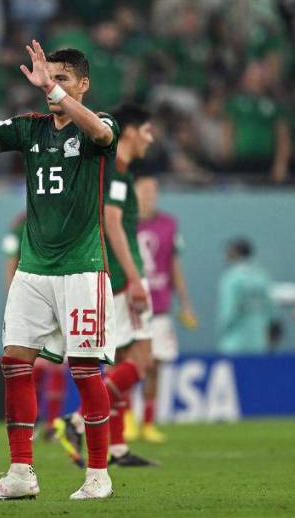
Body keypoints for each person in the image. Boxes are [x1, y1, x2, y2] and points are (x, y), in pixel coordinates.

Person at [0, 41, 119, 501]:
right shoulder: (30, 129)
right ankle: (20, 473)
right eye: (47, 78)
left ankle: (97, 474)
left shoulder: (100, 123)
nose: (51, 87)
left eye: (62, 79)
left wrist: (57, 92)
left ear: (83, 85)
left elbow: (104, 139)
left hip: (82, 268)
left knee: (85, 370)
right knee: (14, 363)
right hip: (33, 268)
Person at [56, 102, 157, 468]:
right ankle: (78, 419)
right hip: (121, 274)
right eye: (146, 130)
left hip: (112, 273)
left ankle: (116, 448)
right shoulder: (116, 171)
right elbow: (113, 223)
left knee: (126, 360)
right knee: (141, 361)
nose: (150, 137)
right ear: (129, 131)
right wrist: (133, 277)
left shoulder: (118, 170)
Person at [130, 175, 199, 443]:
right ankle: (125, 419)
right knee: (128, 362)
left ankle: (147, 422)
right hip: (130, 306)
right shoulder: (121, 222)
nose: (148, 196)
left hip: (158, 307)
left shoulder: (169, 224)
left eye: (152, 191)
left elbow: (174, 266)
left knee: (155, 365)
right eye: (144, 191)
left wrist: (185, 303)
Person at [2, 212, 67, 440]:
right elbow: (10, 263)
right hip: (37, 298)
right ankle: (39, 420)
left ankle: (49, 423)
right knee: (38, 363)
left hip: (53, 297)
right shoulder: (22, 229)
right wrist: (15, 299)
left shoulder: (50, 225)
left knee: (53, 363)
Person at [216, 238, 274, 354]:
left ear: (235, 253)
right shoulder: (262, 276)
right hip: (259, 343)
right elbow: (271, 313)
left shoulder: (231, 278)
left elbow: (227, 313)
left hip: (234, 344)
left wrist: (220, 335)